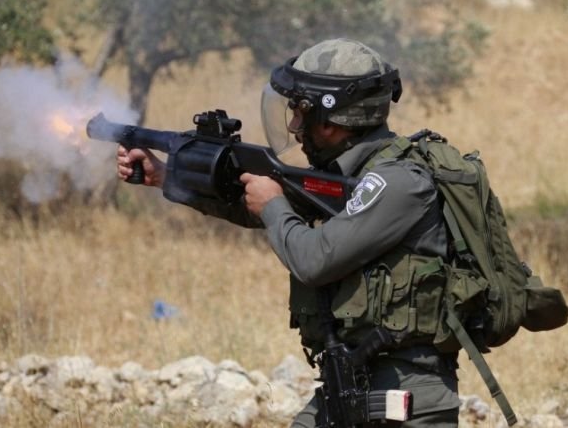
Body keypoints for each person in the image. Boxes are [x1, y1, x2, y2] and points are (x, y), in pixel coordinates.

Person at [117, 38, 460, 427]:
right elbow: (258, 207)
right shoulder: (351, 174)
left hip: (406, 396)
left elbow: (313, 259)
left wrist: (273, 203)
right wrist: (165, 176)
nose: (294, 127)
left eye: (300, 113)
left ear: (332, 120)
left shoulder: (398, 183)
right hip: (351, 381)